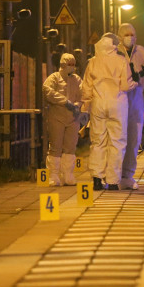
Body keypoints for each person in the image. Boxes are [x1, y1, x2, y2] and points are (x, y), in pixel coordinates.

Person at [82, 33, 136, 190]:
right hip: (117, 104)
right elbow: (125, 86)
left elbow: (86, 89)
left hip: (98, 104)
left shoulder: (92, 62)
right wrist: (134, 84)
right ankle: (112, 181)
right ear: (114, 45)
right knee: (117, 142)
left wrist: (86, 106)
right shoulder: (121, 61)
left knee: (98, 141)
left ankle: (97, 179)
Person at [116, 23, 144, 191]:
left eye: (132, 34)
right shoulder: (114, 53)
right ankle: (113, 175)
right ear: (119, 36)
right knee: (117, 139)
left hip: (136, 99)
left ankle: (127, 176)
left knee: (134, 138)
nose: (130, 37)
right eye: (126, 34)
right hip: (117, 99)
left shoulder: (142, 52)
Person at [42, 52, 84, 186]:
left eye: (73, 64)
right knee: (55, 146)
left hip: (73, 118)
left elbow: (83, 93)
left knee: (70, 147)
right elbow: (47, 91)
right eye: (69, 64)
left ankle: (68, 175)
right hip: (57, 117)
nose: (72, 67)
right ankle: (53, 174)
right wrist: (65, 102)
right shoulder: (54, 78)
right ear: (62, 65)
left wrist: (78, 105)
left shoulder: (77, 79)